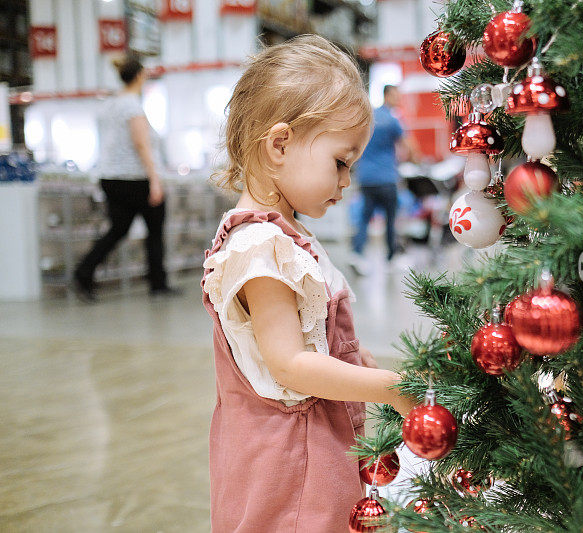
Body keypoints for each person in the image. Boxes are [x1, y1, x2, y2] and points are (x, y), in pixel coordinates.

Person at [201, 35, 417, 532]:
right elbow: (291, 364)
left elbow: (315, 338)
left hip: (314, 447)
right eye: (340, 162)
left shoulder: (287, 237)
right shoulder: (259, 247)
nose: (347, 182)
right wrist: (388, 388)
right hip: (289, 463)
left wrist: (357, 360)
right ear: (279, 144)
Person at [73, 55, 178, 302]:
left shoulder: (109, 104)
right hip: (135, 178)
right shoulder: (132, 105)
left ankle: (83, 272)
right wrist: (154, 180)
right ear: (140, 76)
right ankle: (157, 283)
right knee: (154, 229)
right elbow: (141, 144)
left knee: (118, 229)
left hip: (110, 177)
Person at [349, 84, 420, 275]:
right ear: (387, 95)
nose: (398, 99)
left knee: (364, 217)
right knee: (391, 218)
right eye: (396, 95)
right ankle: (392, 257)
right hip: (386, 177)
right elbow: (409, 146)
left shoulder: (368, 118)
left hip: (366, 177)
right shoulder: (392, 119)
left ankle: (357, 255)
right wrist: (416, 161)